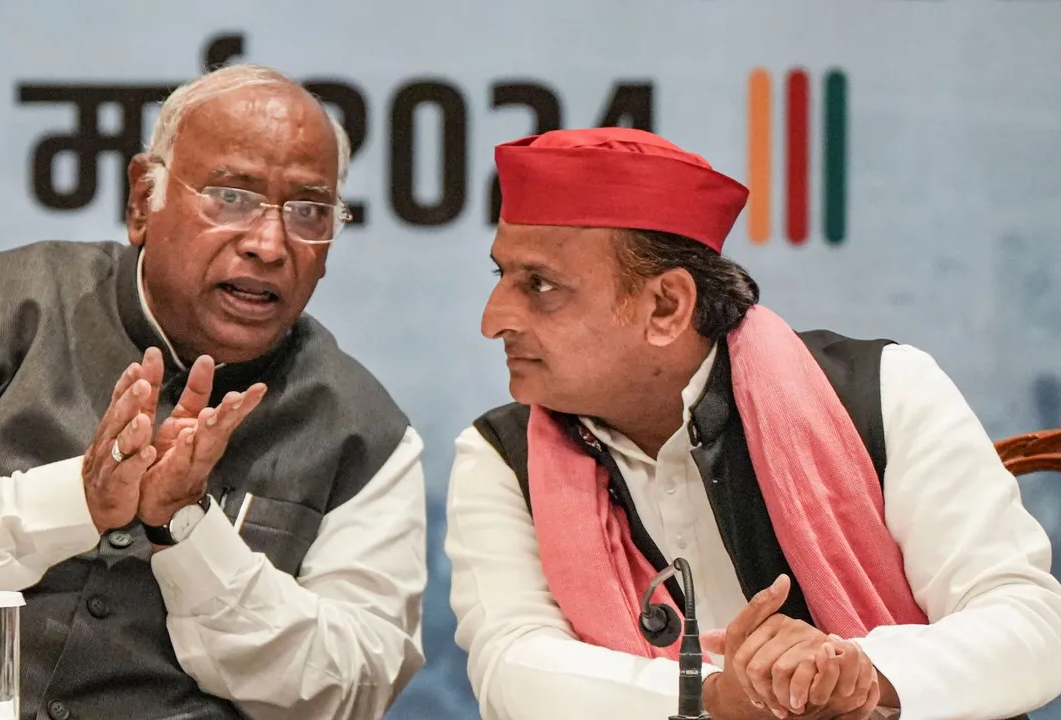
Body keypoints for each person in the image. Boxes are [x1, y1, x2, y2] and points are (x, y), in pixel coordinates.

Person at [0, 64, 427, 720]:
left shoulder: (364, 433)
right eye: (233, 196)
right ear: (144, 199)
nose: (269, 244)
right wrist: (75, 500)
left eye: (310, 211)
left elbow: (353, 684)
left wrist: (189, 530)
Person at [445, 127, 1061, 720]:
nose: (493, 319)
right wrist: (714, 699)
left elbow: (1028, 624)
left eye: (541, 285)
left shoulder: (885, 389)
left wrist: (858, 675)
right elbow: (513, 670)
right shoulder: (502, 456)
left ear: (666, 306)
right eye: (502, 276)